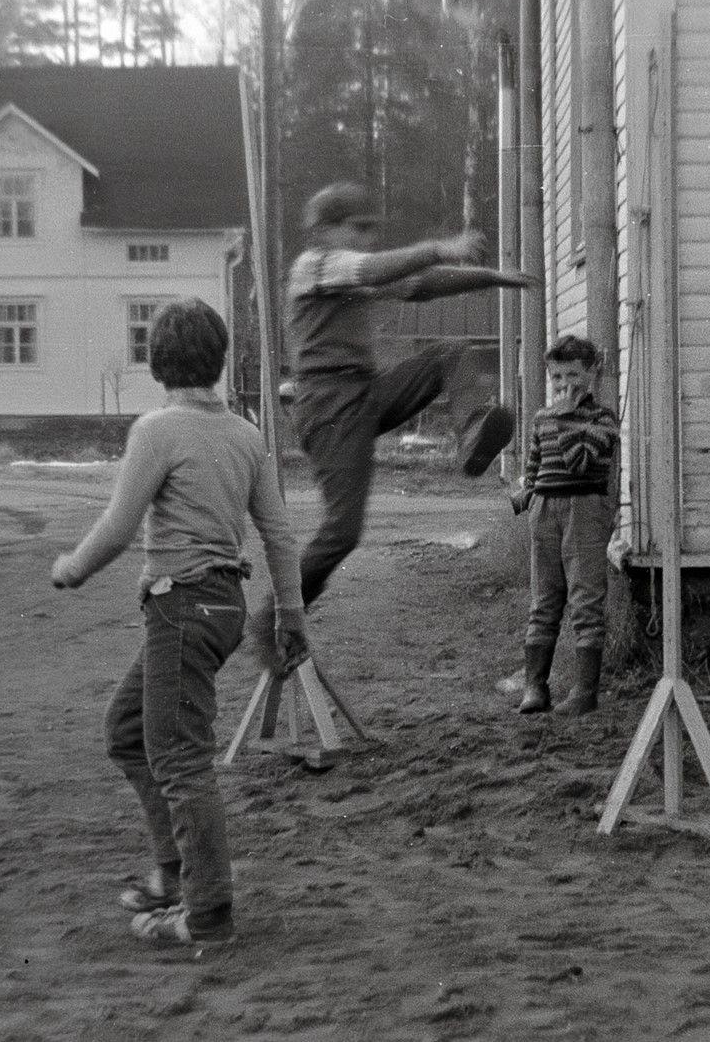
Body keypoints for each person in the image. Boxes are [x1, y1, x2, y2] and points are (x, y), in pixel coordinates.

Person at [51, 298, 306, 946]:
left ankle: (208, 911)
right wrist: (291, 617)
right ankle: (172, 872)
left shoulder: (157, 430)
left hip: (180, 609)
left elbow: (117, 526)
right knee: (129, 729)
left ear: (157, 361)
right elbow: (278, 535)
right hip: (222, 607)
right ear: (218, 361)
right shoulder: (246, 435)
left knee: (182, 761)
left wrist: (72, 569)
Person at [251, 180, 533, 667]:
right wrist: (438, 246)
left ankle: (469, 438)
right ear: (322, 230)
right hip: (327, 406)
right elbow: (384, 267)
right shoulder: (315, 265)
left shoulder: (351, 272)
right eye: (356, 228)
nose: (365, 238)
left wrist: (493, 277)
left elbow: (420, 285)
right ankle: (274, 618)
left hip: (365, 391)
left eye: (370, 229)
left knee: (450, 355)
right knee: (342, 533)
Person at [509, 333, 620, 716]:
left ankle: (584, 693)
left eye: (573, 375)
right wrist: (525, 493)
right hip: (545, 512)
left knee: (586, 601)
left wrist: (565, 416)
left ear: (591, 373)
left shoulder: (603, 419)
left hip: (585, 511)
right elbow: (534, 466)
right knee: (544, 601)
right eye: (557, 377)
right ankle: (535, 687)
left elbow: (580, 461)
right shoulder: (543, 418)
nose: (564, 385)